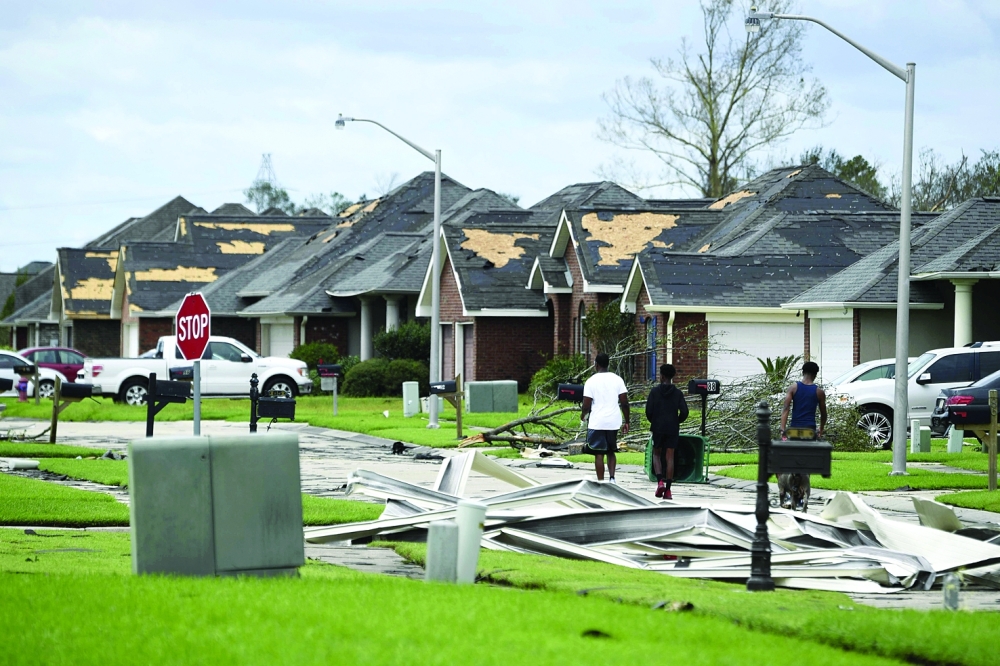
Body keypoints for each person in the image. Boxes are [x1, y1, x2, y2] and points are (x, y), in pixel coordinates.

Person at [580, 352, 629, 483]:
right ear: (608, 364)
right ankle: (612, 478)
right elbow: (624, 402)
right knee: (611, 450)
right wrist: (627, 421)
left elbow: (586, 405)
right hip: (613, 421)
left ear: (596, 364)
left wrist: (583, 415)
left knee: (599, 453)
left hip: (597, 422)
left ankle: (601, 481)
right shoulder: (618, 379)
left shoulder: (591, 381)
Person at [645, 363, 689, 499]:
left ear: (662, 376)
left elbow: (648, 411)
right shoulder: (677, 393)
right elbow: (685, 412)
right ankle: (668, 490)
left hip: (658, 427)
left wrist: (655, 420)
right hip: (672, 428)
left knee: (656, 454)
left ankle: (659, 482)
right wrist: (677, 421)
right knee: (670, 457)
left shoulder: (654, 392)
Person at [780, 361, 828, 440]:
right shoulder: (819, 392)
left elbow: (786, 408)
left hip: (794, 429)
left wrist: (782, 429)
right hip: (810, 430)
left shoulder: (793, 388)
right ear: (815, 374)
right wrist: (821, 428)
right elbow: (823, 414)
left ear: (802, 372)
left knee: (794, 451)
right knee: (808, 452)